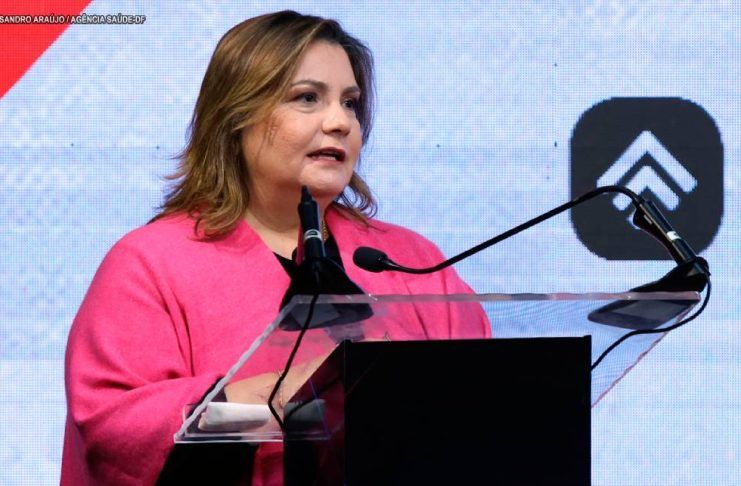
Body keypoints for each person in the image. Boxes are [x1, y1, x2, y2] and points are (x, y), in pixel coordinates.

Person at [62, 10, 490, 485]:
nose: (340, 122)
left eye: (350, 103)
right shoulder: (150, 263)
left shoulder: (410, 259)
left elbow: (487, 408)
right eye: (307, 98)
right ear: (236, 116)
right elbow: (112, 428)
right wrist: (267, 402)